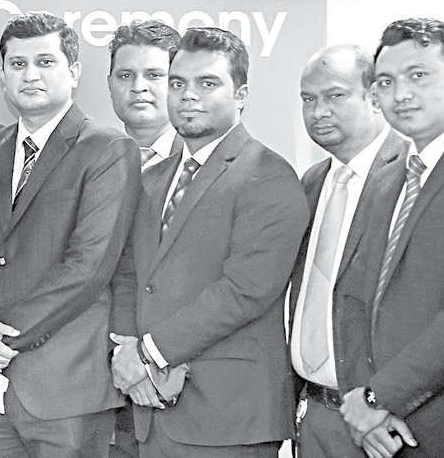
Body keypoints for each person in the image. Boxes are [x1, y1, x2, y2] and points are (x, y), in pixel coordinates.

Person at [108, 27, 306, 458]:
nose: (188, 95)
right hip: (149, 407)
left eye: (207, 83)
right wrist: (128, 352)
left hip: (229, 417)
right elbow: (128, 274)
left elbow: (246, 290)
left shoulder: (268, 175)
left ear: (241, 95)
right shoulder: (153, 179)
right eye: (178, 83)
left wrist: (148, 353)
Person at [0, 13, 141, 457]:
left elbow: (88, 267)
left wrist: (1, 340)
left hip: (66, 391)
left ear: (73, 72)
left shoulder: (108, 149)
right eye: (17, 64)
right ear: (2, 76)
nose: (30, 75)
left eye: (45, 62)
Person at [336, 18, 444, 458]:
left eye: (418, 75)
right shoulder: (387, 178)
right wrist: (363, 407)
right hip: (382, 433)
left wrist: (378, 398)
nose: (401, 94)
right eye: (386, 81)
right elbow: (354, 299)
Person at [287, 44, 401, 457]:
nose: (318, 111)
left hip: (385, 422)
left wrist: (387, 401)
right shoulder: (311, 182)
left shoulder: (415, 177)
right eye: (308, 99)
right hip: (314, 416)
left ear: (375, 96)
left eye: (334, 95)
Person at [106, 21, 182, 171]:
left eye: (154, 75)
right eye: (126, 75)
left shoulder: (206, 159)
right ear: (110, 84)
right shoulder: (90, 159)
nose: (138, 87)